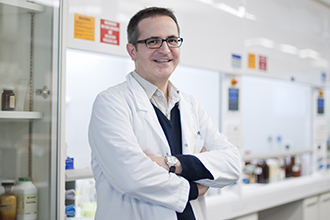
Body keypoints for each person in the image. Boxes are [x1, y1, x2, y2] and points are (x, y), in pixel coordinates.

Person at [88, 7, 241, 220]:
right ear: (132, 51)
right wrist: (196, 185)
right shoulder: (111, 103)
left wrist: (172, 164)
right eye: (153, 41)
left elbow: (232, 163)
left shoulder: (191, 105)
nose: (165, 49)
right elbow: (133, 176)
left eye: (172, 40)